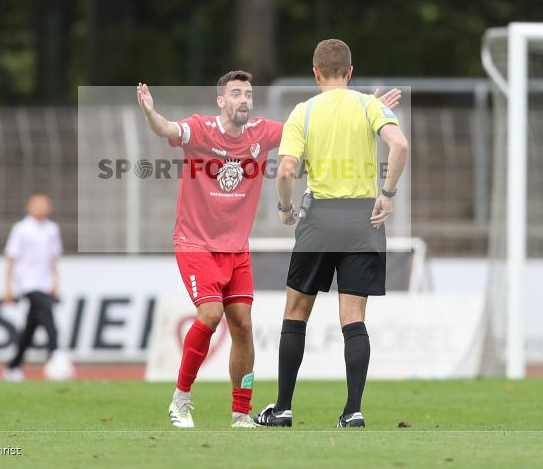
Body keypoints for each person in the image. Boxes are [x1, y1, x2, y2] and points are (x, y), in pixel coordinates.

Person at [135, 72, 401, 429]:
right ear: (221, 101)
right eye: (235, 94)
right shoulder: (199, 129)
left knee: (243, 326)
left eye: (248, 94)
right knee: (211, 315)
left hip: (236, 249)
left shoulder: (262, 131)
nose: (244, 99)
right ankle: (181, 399)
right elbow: (167, 129)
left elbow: (314, 129)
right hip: (195, 243)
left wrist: (370, 111)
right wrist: (151, 113)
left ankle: (241, 412)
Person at [254, 39, 409, 428]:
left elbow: (287, 170)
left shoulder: (303, 112)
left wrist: (286, 209)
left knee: (296, 312)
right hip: (363, 219)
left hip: (319, 219)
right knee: (353, 318)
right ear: (350, 72)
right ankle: (353, 410)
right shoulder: (369, 106)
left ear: (315, 72)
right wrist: (387, 195)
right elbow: (400, 145)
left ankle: (283, 407)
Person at [1, 191, 63, 382]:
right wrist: (8, 288)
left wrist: (55, 282)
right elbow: (12, 260)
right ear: (29, 207)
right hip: (27, 283)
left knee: (31, 327)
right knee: (48, 314)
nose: (42, 208)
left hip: (45, 283)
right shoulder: (21, 228)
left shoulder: (52, 229)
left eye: (45, 204)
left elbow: (54, 259)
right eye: (38, 204)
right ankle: (54, 354)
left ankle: (13, 366)